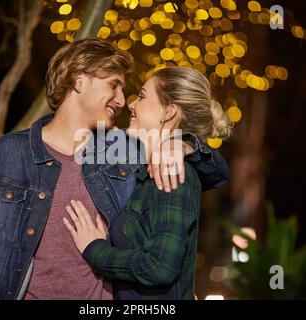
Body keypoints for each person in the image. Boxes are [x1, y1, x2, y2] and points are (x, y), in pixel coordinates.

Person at [0, 39, 229, 300]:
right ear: (79, 79)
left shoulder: (125, 152)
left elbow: (215, 173)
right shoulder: (7, 154)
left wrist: (183, 145)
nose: (122, 100)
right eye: (114, 85)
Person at [64, 66, 233, 299]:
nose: (131, 104)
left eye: (142, 96)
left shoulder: (173, 174)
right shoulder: (147, 167)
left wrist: (94, 250)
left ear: (169, 112)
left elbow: (160, 267)